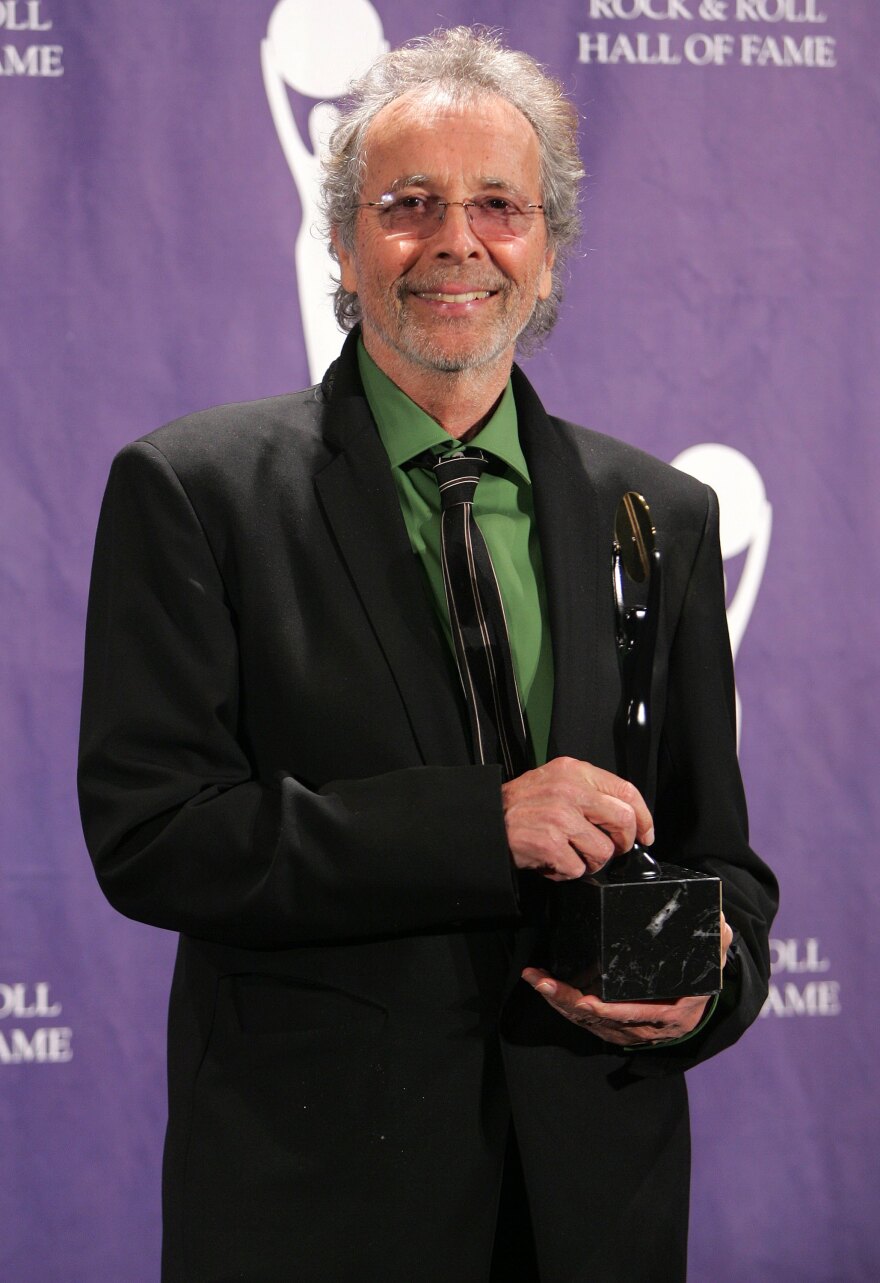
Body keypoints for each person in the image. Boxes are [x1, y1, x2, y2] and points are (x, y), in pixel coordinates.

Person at [78, 26, 777, 1283]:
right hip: (317, 1204)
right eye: (409, 205)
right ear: (344, 244)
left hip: (594, 1199)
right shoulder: (193, 491)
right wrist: (478, 824)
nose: (457, 240)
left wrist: (709, 989)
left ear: (547, 248)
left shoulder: (660, 514)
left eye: (499, 205)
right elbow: (156, 834)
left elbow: (720, 854)